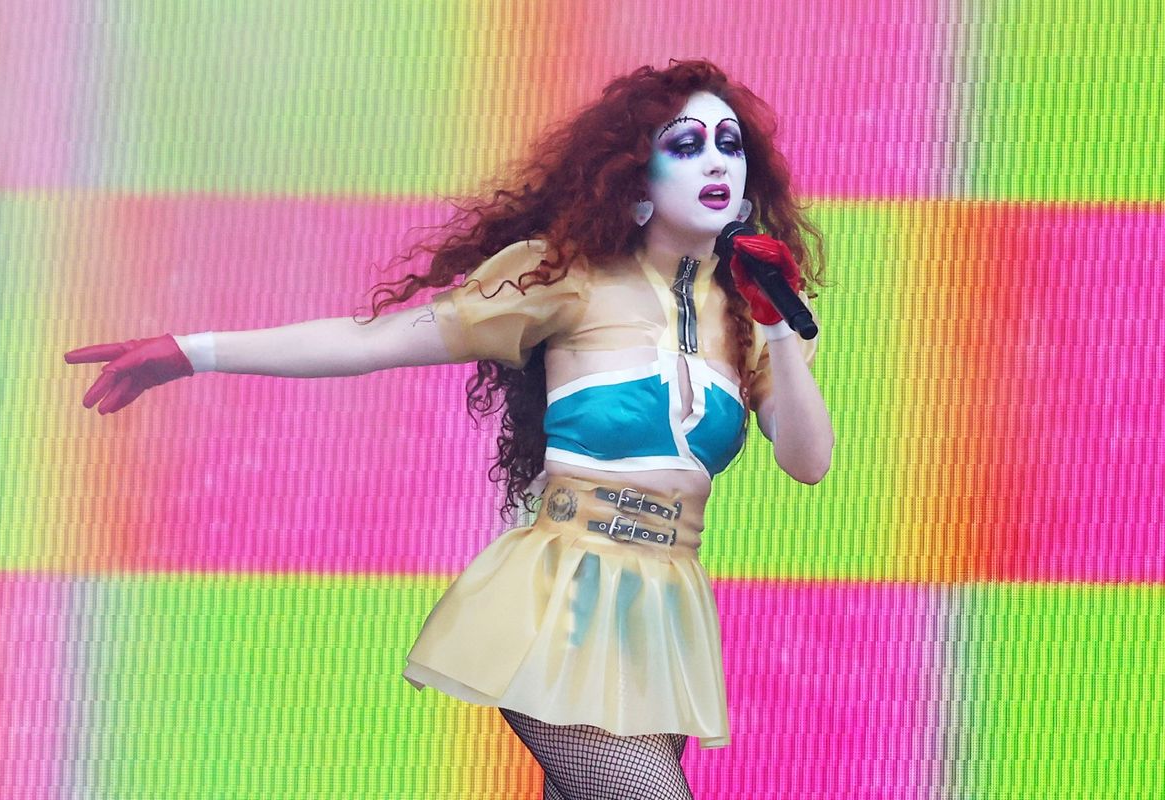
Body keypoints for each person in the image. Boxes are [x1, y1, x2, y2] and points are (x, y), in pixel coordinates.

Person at [64, 59, 833, 800]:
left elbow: (807, 463)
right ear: (638, 177)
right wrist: (193, 353)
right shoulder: (564, 276)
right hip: (557, 600)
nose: (717, 162)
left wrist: (782, 331)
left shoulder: (750, 317)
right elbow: (373, 341)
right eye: (686, 144)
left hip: (662, 615)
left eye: (730, 145)